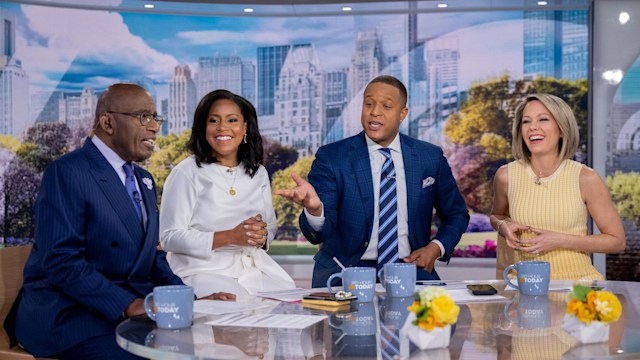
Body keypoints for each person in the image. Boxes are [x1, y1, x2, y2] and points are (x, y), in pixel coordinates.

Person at [4, 83, 234, 360]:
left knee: (211, 347)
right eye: (143, 117)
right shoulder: (67, 172)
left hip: (129, 310)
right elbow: (62, 261)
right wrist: (127, 304)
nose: (154, 127)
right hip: (71, 315)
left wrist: (189, 302)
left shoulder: (144, 180)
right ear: (108, 122)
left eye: (155, 118)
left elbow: (153, 259)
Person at [275, 75, 469, 288]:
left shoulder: (429, 157)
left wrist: (435, 248)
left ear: (403, 114)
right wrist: (314, 210)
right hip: (345, 272)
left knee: (445, 318)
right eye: (369, 104)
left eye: (386, 105)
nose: (375, 111)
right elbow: (318, 234)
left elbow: (456, 214)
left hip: (411, 269)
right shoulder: (333, 157)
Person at [160, 89, 296, 297]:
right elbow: (169, 237)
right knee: (237, 308)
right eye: (213, 120)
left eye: (232, 120)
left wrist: (260, 235)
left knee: (290, 302)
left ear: (245, 128)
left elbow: (269, 226)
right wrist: (230, 237)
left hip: (252, 270)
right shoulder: (186, 172)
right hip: (202, 271)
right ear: (202, 127)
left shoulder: (258, 172)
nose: (222, 127)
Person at [490, 93, 625, 280]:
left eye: (543, 119)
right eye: (526, 122)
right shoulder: (505, 176)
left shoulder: (586, 178)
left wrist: (560, 240)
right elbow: (497, 216)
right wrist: (503, 225)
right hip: (523, 287)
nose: (533, 127)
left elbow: (616, 241)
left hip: (577, 289)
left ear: (562, 129)